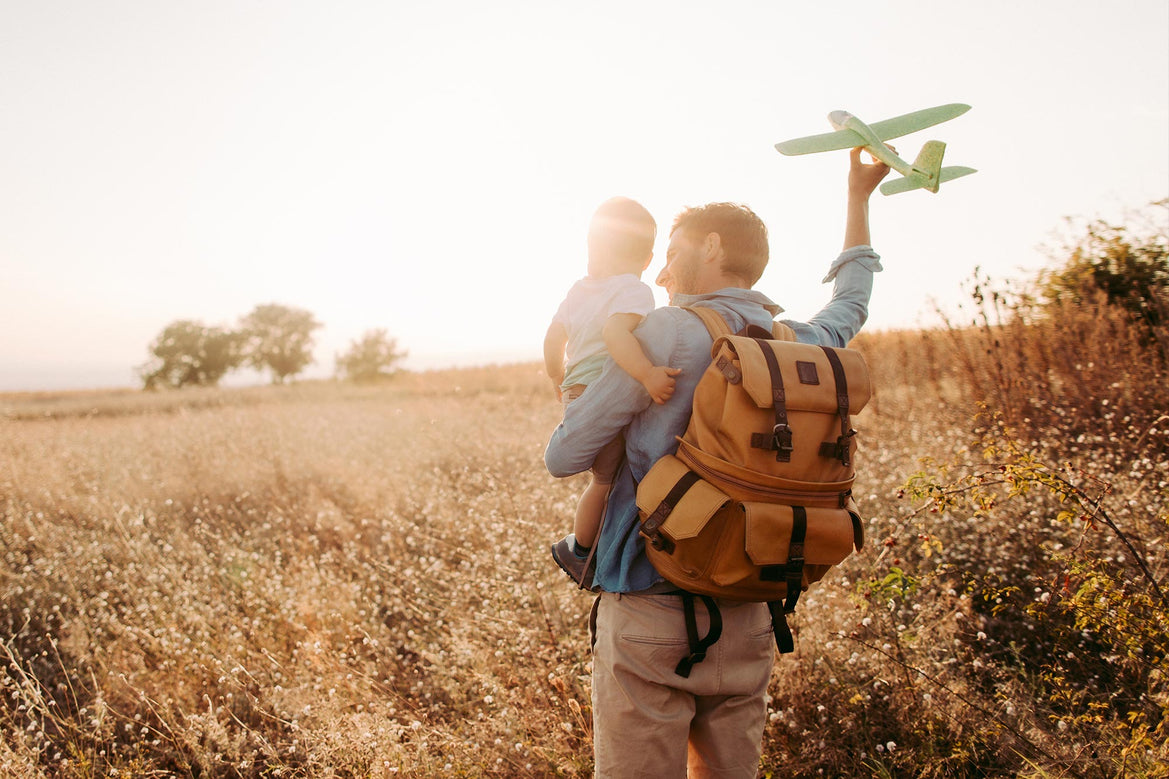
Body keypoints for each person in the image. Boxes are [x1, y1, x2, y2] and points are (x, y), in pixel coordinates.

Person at [543, 148, 891, 778]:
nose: (665, 271)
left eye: (672, 252)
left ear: (708, 247)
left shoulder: (669, 331)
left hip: (649, 612)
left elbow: (564, 454)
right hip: (751, 615)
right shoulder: (795, 346)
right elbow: (852, 302)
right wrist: (858, 200)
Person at [544, 196, 681, 582]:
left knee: (605, 476)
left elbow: (553, 337)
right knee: (606, 480)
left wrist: (557, 376)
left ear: (593, 247)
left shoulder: (579, 291)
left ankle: (593, 545)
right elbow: (615, 333)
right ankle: (581, 550)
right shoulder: (633, 290)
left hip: (575, 390)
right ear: (647, 258)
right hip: (600, 390)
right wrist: (648, 374)